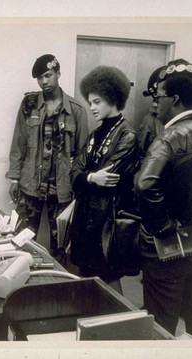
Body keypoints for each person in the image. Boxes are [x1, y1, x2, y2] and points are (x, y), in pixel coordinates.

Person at [135, 59, 192, 338]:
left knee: (160, 326)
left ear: (174, 100)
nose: (156, 104)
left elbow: (145, 185)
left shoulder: (169, 138)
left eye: (159, 97)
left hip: (167, 253)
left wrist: (162, 228)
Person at [6, 54, 88, 255]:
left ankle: (56, 284)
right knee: (21, 240)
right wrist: (15, 179)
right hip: (30, 185)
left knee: (60, 245)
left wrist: (80, 190)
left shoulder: (76, 111)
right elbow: (19, 143)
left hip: (62, 190)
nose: (43, 81)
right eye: (39, 78)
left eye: (48, 75)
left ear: (58, 73)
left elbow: (82, 155)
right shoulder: (29, 104)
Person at [69, 65, 139, 291]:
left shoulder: (127, 136)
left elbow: (108, 179)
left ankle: (115, 324)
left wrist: (85, 176)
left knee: (108, 279)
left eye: (97, 101)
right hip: (85, 217)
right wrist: (90, 178)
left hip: (107, 220)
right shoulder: (95, 134)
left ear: (113, 98)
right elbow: (74, 174)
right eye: (90, 102)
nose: (92, 107)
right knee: (86, 276)